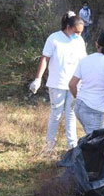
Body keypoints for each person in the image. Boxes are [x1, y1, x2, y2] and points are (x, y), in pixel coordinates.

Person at [29, 11, 87, 152]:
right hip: (57, 83)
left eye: (81, 32)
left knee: (71, 114)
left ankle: (72, 145)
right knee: (56, 113)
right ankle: (49, 145)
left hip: (74, 84)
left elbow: (84, 61)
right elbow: (45, 58)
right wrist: (38, 79)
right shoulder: (54, 38)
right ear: (68, 26)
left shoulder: (79, 41)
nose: (79, 35)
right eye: (76, 31)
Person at [69, 32, 104, 134]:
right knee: (97, 144)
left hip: (79, 106)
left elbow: (72, 84)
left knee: (92, 138)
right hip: (93, 110)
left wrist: (77, 97)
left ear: (96, 44)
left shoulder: (85, 60)